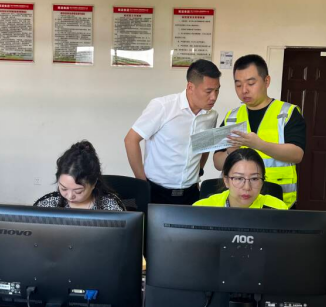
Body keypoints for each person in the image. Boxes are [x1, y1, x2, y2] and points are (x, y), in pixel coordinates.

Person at [213, 54, 305, 209]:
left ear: (266, 81)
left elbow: (297, 155)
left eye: (251, 83)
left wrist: (260, 145)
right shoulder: (231, 117)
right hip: (239, 203)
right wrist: (230, 152)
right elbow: (217, 163)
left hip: (279, 202)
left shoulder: (287, 113)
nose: (244, 90)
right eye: (238, 85)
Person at [125, 59, 221, 205]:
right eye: (208, 91)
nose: (214, 97)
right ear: (190, 87)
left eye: (217, 90)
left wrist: (198, 172)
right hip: (156, 192)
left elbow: (204, 147)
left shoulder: (211, 116)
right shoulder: (163, 107)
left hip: (190, 193)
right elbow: (131, 140)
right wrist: (142, 184)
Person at [34, 140, 125, 210]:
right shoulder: (47, 205)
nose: (70, 196)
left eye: (78, 191)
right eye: (63, 188)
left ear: (94, 183)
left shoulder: (110, 207)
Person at [194, 148, 287, 209]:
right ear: (226, 180)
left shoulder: (278, 208)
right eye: (239, 178)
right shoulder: (201, 209)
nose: (247, 187)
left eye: (254, 179)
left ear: (262, 181)